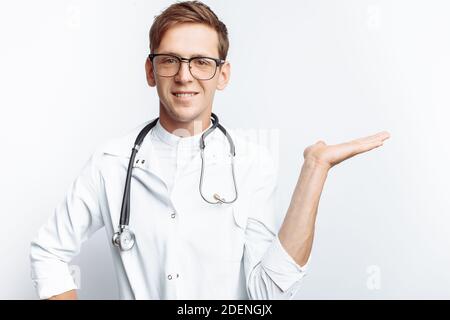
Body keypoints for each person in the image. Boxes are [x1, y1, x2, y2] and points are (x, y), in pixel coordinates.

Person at [30, 1, 390, 300]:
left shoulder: (251, 163)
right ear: (151, 70)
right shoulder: (110, 163)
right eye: (170, 60)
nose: (185, 76)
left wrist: (315, 170)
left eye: (201, 62)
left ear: (223, 74)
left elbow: (267, 294)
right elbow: (48, 252)